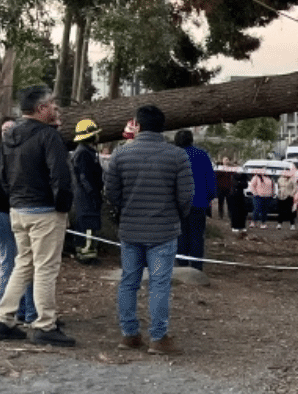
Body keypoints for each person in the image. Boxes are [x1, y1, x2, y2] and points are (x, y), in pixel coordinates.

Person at [104, 105, 193, 355]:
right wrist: (176, 215)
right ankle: (158, 337)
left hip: (131, 229)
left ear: (138, 125)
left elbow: (111, 192)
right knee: (159, 284)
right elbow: (186, 195)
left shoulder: (121, 155)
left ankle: (129, 333)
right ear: (162, 127)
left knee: (129, 282)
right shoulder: (176, 156)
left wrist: (124, 211)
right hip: (163, 231)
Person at [0, 86, 74, 346]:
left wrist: (15, 200)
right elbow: (61, 177)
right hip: (45, 211)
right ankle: (45, 324)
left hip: (18, 210)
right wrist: (63, 206)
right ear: (42, 109)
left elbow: (4, 175)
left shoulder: (9, 135)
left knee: (23, 264)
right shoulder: (49, 136)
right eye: (52, 103)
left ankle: (5, 318)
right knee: (46, 269)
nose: (56, 108)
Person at [0, 117, 36, 332]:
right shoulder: (8, 154)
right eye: (6, 129)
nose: (10, 132)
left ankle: (24, 309)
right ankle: (8, 314)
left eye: (12, 128)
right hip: (7, 212)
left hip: (16, 210)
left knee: (22, 261)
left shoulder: (17, 152)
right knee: (11, 263)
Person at [173, 130, 216, 271]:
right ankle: (197, 265)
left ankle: (182, 264)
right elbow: (209, 178)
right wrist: (210, 196)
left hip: (177, 202)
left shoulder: (173, 155)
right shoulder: (202, 155)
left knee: (180, 234)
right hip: (199, 201)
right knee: (197, 235)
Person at [70, 119, 105, 263]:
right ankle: (87, 253)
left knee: (88, 223)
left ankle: (84, 250)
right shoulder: (83, 153)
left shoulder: (87, 151)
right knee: (88, 225)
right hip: (86, 197)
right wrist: (93, 194)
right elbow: (84, 177)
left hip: (86, 195)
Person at [227, 168, 249, 236]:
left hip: (242, 196)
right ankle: (234, 226)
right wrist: (240, 183)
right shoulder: (233, 175)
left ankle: (242, 226)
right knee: (235, 211)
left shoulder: (244, 176)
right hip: (233, 195)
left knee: (242, 212)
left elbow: (245, 185)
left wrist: (240, 183)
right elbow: (235, 184)